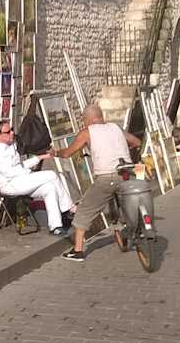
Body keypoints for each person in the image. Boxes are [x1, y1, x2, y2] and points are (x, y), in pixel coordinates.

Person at [54, 104, 142, 261]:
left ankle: (78, 250)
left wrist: (55, 152)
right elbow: (136, 142)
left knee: (83, 211)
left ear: (86, 119)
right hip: (127, 173)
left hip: (107, 178)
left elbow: (67, 153)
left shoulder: (87, 132)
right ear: (102, 117)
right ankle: (136, 227)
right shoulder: (115, 128)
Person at [0, 120, 75, 235]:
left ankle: (55, 226)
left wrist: (40, 157)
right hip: (10, 185)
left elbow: (21, 165)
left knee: (49, 187)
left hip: (21, 180)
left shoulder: (12, 145)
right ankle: (68, 207)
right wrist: (28, 172)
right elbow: (10, 173)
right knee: (51, 175)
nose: (12, 133)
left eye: (12, 130)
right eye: (8, 132)